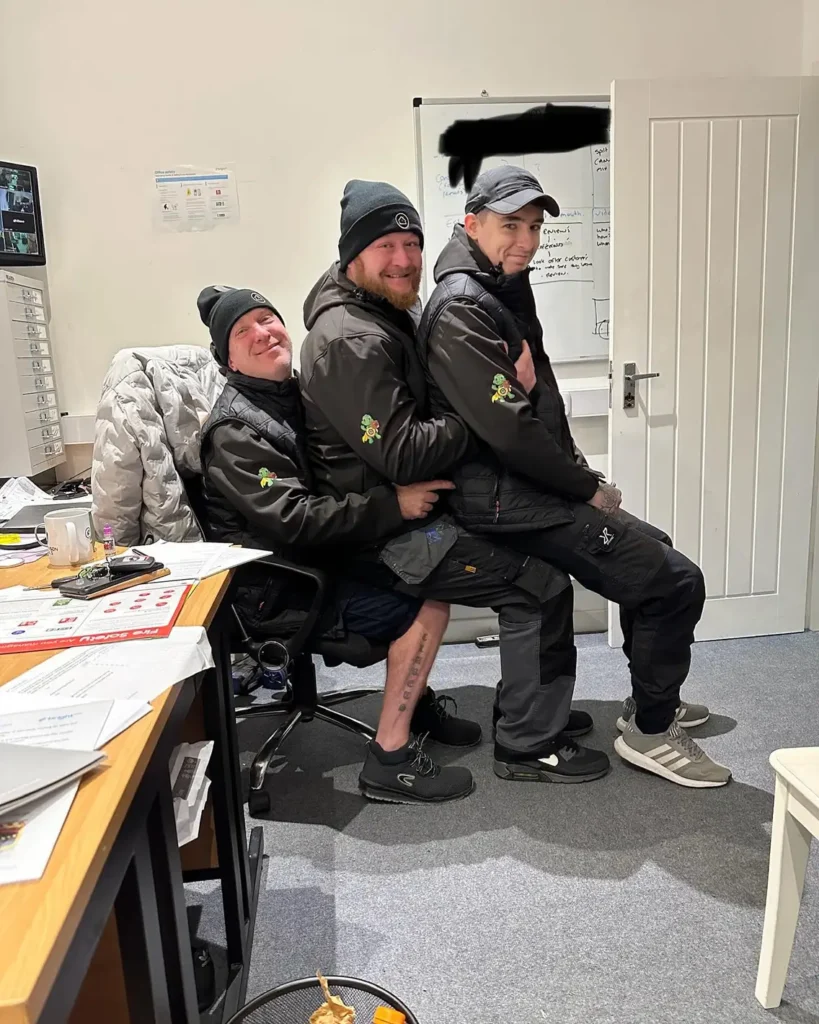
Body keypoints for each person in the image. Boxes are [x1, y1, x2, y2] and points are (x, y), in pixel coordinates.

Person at [416, 164, 731, 789]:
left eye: (534, 227)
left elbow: (530, 402)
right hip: (508, 499)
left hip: (527, 488)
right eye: (511, 225)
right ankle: (650, 731)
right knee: (676, 582)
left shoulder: (499, 284)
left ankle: (649, 704)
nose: (526, 241)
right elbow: (509, 428)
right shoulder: (462, 306)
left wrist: (573, 466)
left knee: (657, 553)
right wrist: (588, 488)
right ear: (472, 224)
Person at [299, 179, 612, 787]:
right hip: (383, 534)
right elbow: (403, 454)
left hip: (416, 514)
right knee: (538, 585)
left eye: (412, 243)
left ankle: (529, 706)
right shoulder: (349, 340)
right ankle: (521, 744)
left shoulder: (385, 311)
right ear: (353, 255)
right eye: (385, 245)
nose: (404, 259)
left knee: (544, 558)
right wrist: (488, 407)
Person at [196, 284, 477, 804]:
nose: (262, 333)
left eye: (267, 319)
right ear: (227, 359)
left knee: (425, 565)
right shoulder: (235, 431)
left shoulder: (290, 395)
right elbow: (295, 519)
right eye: (243, 331)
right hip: (278, 588)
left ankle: (412, 704)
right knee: (425, 602)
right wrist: (393, 505)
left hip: (318, 556)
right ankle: (390, 757)